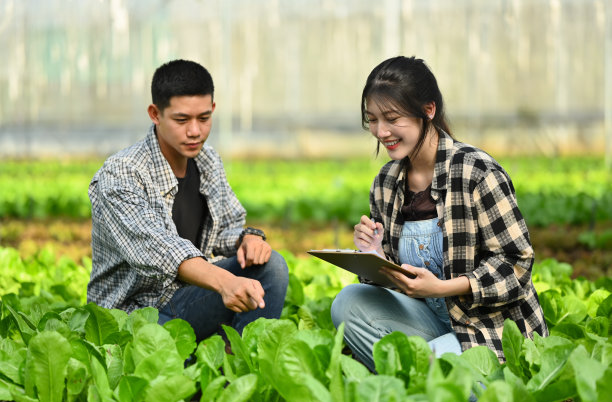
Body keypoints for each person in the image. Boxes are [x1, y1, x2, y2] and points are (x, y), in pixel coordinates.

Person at [331, 56, 548, 372]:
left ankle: (413, 382)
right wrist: (374, 255)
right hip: (429, 321)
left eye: (392, 118)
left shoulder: (477, 173)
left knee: (428, 368)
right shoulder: (386, 183)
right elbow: (397, 283)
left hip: (489, 332)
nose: (380, 131)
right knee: (348, 302)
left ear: (428, 110)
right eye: (373, 119)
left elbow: (516, 265)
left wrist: (443, 287)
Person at [87, 59, 289, 342]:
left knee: (272, 268)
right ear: (155, 114)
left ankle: (238, 366)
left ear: (213, 110)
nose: (195, 131)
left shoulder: (207, 160)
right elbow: (156, 249)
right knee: (170, 367)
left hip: (184, 300)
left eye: (203, 119)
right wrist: (225, 283)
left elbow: (224, 231)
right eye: (182, 120)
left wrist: (248, 240)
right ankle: (200, 358)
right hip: (134, 314)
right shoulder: (122, 172)